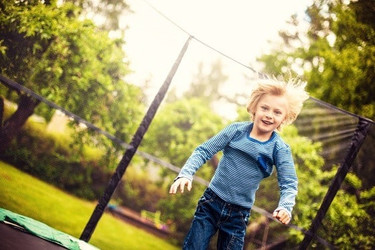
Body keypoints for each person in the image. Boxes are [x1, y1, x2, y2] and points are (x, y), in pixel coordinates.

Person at [169, 78, 309, 250]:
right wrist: (186, 173)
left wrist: (285, 207)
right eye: (264, 108)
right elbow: (203, 151)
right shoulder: (236, 131)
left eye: (277, 112)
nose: (269, 115)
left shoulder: (279, 149)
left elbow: (289, 183)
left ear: (284, 118)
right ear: (254, 107)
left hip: (238, 215)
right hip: (211, 202)